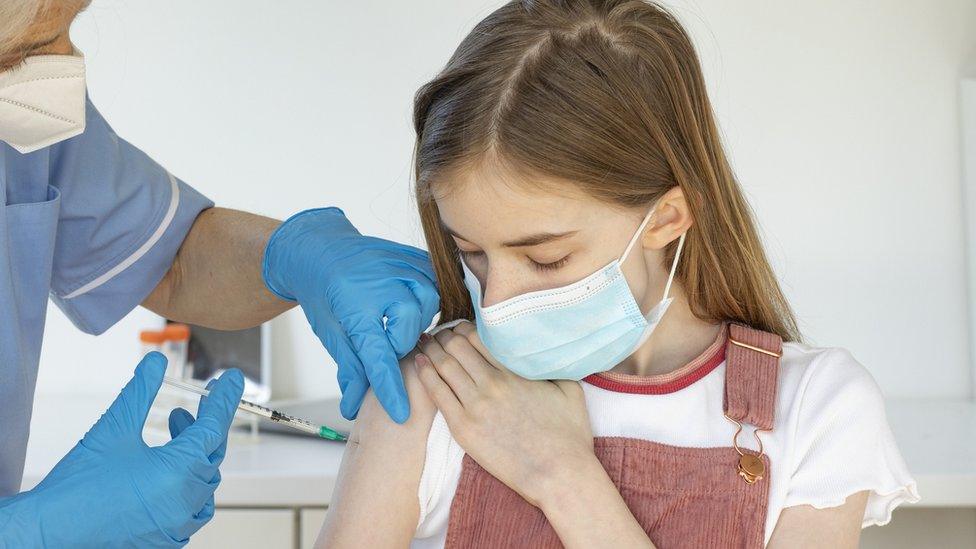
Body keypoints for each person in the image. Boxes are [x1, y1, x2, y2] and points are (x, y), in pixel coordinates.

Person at [317, 1, 921, 547]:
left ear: (666, 217)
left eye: (546, 258)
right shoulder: (437, 387)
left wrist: (564, 477)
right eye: (472, 254)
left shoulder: (816, 407)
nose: (495, 301)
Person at [0, 0, 437, 545]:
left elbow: (170, 257)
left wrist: (296, 255)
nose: (64, 59)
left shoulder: (18, 110)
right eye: (27, 49)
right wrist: (34, 533)